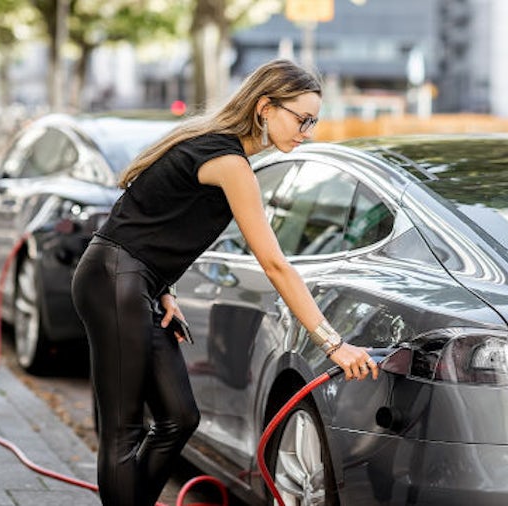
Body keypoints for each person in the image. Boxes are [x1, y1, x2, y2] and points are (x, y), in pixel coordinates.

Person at [71, 58, 379, 506]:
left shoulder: (216, 148)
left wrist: (164, 288)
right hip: (114, 279)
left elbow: (154, 216)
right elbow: (275, 264)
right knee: (124, 430)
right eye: (302, 119)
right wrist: (333, 343)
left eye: (314, 121)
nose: (307, 131)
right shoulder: (227, 159)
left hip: (135, 281)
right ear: (265, 107)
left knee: (179, 418)